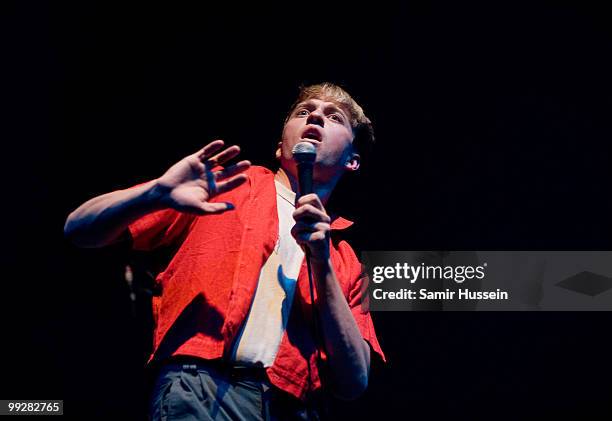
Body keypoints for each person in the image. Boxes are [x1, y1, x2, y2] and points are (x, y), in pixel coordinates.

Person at [64, 83, 385, 420]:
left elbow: (354, 381)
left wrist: (322, 262)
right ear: (280, 147)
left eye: (334, 117)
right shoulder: (227, 187)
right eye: (304, 111)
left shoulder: (346, 261)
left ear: (352, 160)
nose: (316, 116)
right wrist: (156, 193)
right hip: (202, 387)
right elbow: (79, 228)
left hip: (293, 408)